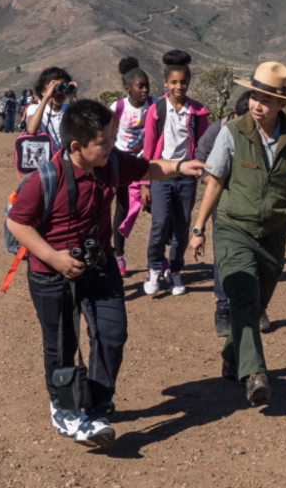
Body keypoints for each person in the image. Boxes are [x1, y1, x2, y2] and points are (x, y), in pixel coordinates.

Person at [6, 99, 207, 449]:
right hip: (50, 274)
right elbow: (17, 222)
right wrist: (54, 257)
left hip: (99, 265)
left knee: (112, 335)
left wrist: (180, 166)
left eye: (112, 138)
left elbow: (147, 168)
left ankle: (97, 409)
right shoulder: (45, 179)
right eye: (103, 141)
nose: (111, 146)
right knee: (62, 344)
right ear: (76, 147)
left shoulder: (110, 162)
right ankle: (64, 407)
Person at [188, 63, 286, 406]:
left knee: (257, 301)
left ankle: (232, 355)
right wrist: (199, 228)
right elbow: (215, 181)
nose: (257, 105)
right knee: (244, 295)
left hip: (274, 232)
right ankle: (255, 375)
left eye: (266, 100)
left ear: (282, 104)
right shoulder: (232, 131)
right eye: (254, 97)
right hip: (234, 226)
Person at [140, 51, 210, 297]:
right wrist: (144, 182)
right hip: (160, 175)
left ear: (189, 82)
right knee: (159, 224)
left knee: (182, 227)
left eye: (183, 82)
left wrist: (203, 172)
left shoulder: (198, 112)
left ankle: (175, 270)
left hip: (186, 178)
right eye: (174, 82)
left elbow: (203, 145)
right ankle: (153, 268)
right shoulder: (156, 111)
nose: (179, 86)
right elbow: (148, 147)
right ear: (165, 83)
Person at [193, 90, 256, 337]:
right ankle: (223, 308)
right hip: (222, 202)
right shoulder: (217, 131)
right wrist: (216, 181)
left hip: (251, 204)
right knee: (224, 254)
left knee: (255, 254)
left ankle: (256, 305)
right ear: (234, 114)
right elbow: (200, 161)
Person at [109, 58, 155, 277]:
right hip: (122, 166)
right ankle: (119, 256)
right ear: (128, 89)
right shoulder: (118, 107)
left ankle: (159, 259)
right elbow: (109, 135)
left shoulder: (154, 105)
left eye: (147, 86)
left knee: (155, 209)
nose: (145, 90)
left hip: (146, 164)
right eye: (140, 86)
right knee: (122, 209)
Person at [24, 67, 76, 152]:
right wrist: (46, 98)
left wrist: (73, 97)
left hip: (67, 158)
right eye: (55, 88)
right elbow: (32, 130)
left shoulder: (71, 108)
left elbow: (85, 130)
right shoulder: (34, 108)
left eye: (63, 87)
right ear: (43, 91)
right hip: (46, 157)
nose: (60, 92)